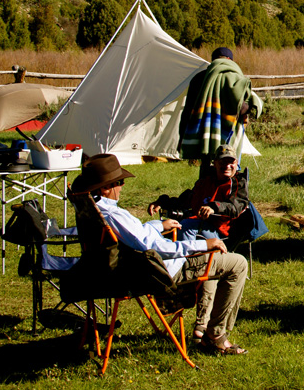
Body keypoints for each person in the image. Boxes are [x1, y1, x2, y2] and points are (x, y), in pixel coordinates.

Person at [71, 153, 249, 355]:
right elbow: (153, 247)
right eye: (119, 182)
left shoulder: (93, 210)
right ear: (106, 188)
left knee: (214, 262)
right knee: (238, 264)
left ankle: (203, 325)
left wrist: (158, 225)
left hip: (124, 269)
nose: (122, 186)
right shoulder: (114, 214)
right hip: (157, 271)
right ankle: (216, 336)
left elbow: (138, 235)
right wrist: (202, 244)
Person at [178, 46, 264, 177]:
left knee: (206, 169)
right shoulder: (236, 78)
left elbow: (188, 110)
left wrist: (182, 136)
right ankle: (229, 193)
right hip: (229, 132)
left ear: (212, 60)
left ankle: (205, 194)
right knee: (230, 163)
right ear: (230, 60)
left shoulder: (199, 78)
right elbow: (246, 106)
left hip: (204, 133)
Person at [147, 144, 251, 247]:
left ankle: (185, 261)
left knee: (186, 226)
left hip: (220, 232)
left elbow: (235, 207)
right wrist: (162, 202)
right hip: (198, 223)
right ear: (215, 163)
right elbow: (186, 200)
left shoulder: (238, 183)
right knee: (160, 225)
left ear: (236, 163)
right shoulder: (206, 181)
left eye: (231, 162)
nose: (227, 166)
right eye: (223, 162)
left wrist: (213, 208)